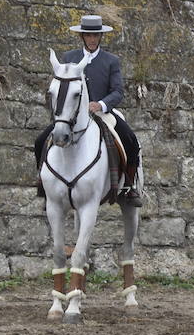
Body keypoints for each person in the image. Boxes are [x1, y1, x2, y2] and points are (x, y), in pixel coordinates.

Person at [34, 14, 141, 204]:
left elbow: (117, 91)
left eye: (95, 36)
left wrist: (100, 104)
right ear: (82, 37)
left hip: (102, 112)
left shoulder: (111, 61)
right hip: (73, 115)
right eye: (88, 36)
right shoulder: (69, 57)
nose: (92, 39)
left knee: (130, 139)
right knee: (40, 140)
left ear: (100, 37)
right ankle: (43, 182)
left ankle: (129, 187)